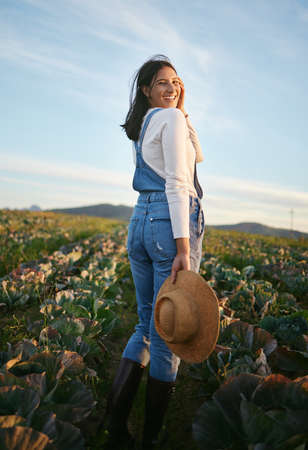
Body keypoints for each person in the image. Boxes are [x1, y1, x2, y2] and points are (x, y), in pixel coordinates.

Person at [104, 55, 205, 449]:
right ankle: (150, 441)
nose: (172, 88)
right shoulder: (170, 120)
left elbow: (198, 154)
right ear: (146, 89)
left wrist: (181, 111)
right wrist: (183, 245)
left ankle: (113, 428)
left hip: (140, 220)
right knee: (171, 335)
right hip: (169, 223)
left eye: (176, 82)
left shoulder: (147, 123)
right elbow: (181, 181)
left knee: (146, 325)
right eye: (162, 83)